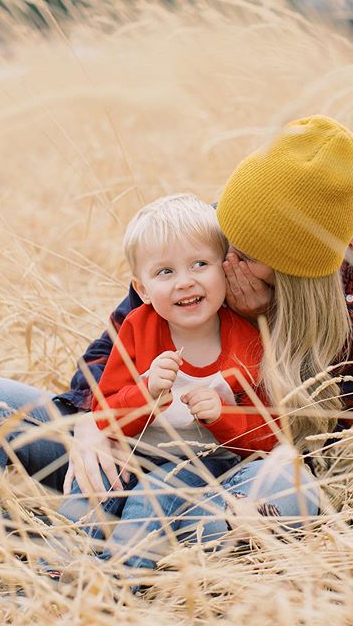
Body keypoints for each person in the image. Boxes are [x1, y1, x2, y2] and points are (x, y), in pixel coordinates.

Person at [0, 115, 353, 575]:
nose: (221, 264)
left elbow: (318, 433)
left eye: (244, 255)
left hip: (220, 474)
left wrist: (261, 327)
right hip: (125, 450)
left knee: (288, 489)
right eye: (226, 239)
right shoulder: (198, 237)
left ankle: (108, 570)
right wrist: (93, 426)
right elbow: (104, 358)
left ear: (297, 273)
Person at [53, 193, 279, 577]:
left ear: (224, 270)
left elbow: (267, 437)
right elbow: (105, 414)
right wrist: (146, 394)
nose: (185, 282)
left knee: (152, 495)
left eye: (200, 264)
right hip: (136, 453)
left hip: (206, 465)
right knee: (93, 484)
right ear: (141, 290)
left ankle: (119, 581)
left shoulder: (247, 339)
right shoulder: (138, 328)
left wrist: (222, 416)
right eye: (165, 272)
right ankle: (54, 574)